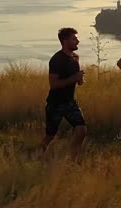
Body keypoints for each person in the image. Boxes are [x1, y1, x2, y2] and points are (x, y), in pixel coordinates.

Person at [40, 26, 87, 159]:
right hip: (55, 104)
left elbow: (78, 82)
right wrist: (74, 78)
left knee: (81, 129)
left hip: (70, 102)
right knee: (50, 135)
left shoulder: (75, 58)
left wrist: (80, 79)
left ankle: (71, 158)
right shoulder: (56, 60)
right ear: (65, 41)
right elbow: (53, 85)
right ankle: (38, 156)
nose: (78, 42)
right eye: (74, 39)